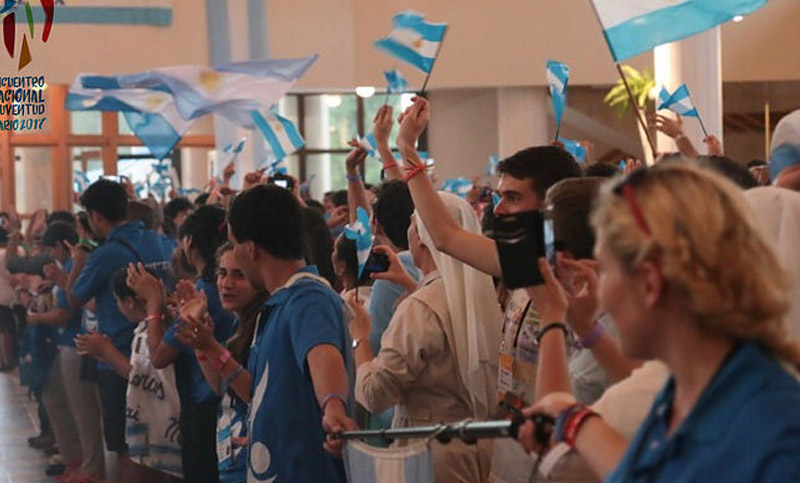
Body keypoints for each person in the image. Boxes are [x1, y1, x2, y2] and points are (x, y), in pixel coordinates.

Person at [517, 164, 800, 481]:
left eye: (607, 270)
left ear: (650, 283)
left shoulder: (773, 436)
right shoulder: (687, 390)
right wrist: (573, 419)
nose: (603, 294)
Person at [395, 96, 581, 482]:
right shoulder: (528, 267)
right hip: (511, 453)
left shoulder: (583, 284)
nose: (497, 210)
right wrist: (407, 149)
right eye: (498, 197)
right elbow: (445, 236)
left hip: (563, 459)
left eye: (512, 197)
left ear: (550, 206)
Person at [347, 192, 502, 482]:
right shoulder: (484, 296)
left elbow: (375, 394)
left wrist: (361, 339)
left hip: (429, 451)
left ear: (421, 237)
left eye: (411, 224)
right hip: (479, 447)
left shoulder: (420, 308)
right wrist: (411, 283)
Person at [227, 184, 353, 482]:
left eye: (233, 244)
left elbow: (322, 352)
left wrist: (333, 405)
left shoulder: (307, 296)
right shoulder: (280, 301)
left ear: (250, 248)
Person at [65, 179, 172, 480]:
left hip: (119, 359)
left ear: (95, 216)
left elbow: (73, 298)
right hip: (164, 348)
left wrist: (76, 264)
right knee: (163, 446)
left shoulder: (106, 254)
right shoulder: (159, 241)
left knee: (126, 449)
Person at [131, 204, 235, 483]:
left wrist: (153, 303)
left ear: (188, 242)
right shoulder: (225, 287)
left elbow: (160, 355)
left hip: (205, 407)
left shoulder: (205, 292)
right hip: (228, 400)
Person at [171, 243, 269, 483]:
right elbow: (220, 386)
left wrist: (212, 347)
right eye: (222, 273)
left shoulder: (266, 322)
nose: (226, 284)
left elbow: (256, 397)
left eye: (239, 275)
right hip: (232, 456)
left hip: (256, 459)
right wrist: (201, 345)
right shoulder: (240, 323)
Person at [76, 269, 181, 482]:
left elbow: (147, 375)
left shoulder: (151, 332)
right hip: (158, 427)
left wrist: (108, 352)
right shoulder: (155, 326)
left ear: (130, 302)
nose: (118, 306)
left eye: (117, 301)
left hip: (161, 429)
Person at [33, 221, 106, 483]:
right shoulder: (72, 264)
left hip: (77, 342)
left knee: (84, 411)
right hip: (69, 342)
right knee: (74, 407)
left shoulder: (86, 262)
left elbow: (71, 304)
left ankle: (91, 466)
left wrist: (62, 279)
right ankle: (80, 461)